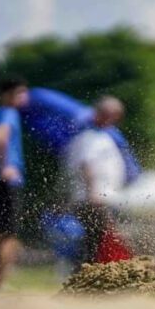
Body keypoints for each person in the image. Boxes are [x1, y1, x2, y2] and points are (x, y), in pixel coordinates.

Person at [64, 96, 131, 265]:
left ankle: (89, 275)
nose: (114, 119)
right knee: (97, 239)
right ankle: (87, 276)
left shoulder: (102, 136)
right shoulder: (89, 137)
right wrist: (93, 191)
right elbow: (87, 164)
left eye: (116, 115)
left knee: (97, 239)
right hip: (93, 198)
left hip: (101, 197)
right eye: (110, 114)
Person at [0, 77, 29, 289]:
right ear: (7, 94)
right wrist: (5, 167)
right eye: (20, 93)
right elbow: (0, 139)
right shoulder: (8, 113)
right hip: (6, 179)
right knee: (7, 232)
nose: (24, 97)